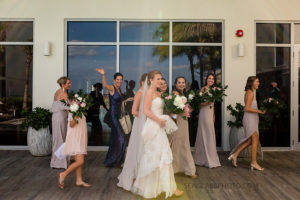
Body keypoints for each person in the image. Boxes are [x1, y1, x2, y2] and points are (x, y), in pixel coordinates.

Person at [132, 70, 183, 199]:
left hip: (159, 125)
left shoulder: (158, 93)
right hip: (154, 126)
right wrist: (158, 120)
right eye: (158, 79)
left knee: (163, 156)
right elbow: (145, 110)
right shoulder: (149, 92)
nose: (160, 81)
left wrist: (172, 112)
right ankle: (155, 188)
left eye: (161, 79)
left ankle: (168, 187)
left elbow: (159, 109)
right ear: (151, 80)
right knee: (155, 156)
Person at [96, 68, 133, 167]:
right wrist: (103, 75)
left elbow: (118, 102)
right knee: (121, 138)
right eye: (118, 79)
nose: (119, 81)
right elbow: (104, 85)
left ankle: (113, 160)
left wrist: (126, 100)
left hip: (118, 115)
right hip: (113, 116)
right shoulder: (112, 88)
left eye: (121, 79)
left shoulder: (119, 89)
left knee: (115, 139)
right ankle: (116, 161)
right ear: (114, 80)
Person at [118, 73, 147, 191]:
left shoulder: (147, 92)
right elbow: (134, 111)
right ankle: (134, 175)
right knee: (138, 147)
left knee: (144, 148)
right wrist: (147, 115)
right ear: (142, 82)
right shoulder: (140, 92)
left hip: (146, 122)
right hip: (140, 122)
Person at [228, 76, 265, 171]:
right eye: (257, 81)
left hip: (252, 118)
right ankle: (254, 162)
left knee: (250, 141)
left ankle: (235, 155)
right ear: (252, 83)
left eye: (259, 81)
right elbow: (247, 108)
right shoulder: (250, 93)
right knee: (255, 139)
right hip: (250, 119)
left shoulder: (250, 92)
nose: (259, 83)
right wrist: (259, 111)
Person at [169, 76, 197, 178]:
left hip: (184, 121)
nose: (181, 84)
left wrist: (191, 108)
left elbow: (187, 109)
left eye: (183, 82)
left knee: (184, 144)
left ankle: (186, 169)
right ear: (176, 84)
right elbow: (171, 111)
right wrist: (178, 114)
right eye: (179, 82)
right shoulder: (174, 94)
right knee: (176, 144)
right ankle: (179, 169)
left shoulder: (184, 94)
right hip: (177, 122)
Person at [194, 74, 221, 168]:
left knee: (210, 135)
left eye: (213, 79)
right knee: (205, 135)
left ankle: (210, 158)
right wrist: (207, 103)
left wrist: (213, 115)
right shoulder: (203, 89)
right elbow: (200, 104)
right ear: (206, 79)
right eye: (209, 78)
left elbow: (212, 105)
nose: (211, 80)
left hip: (210, 114)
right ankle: (204, 159)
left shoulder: (214, 90)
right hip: (204, 113)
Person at [58, 113, 91, 189]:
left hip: (80, 136)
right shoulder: (73, 110)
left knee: (78, 159)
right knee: (80, 161)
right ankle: (63, 174)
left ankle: (79, 180)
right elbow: (71, 124)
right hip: (76, 138)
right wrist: (76, 117)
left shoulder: (79, 110)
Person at [50, 77, 70, 169]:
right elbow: (67, 109)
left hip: (56, 117)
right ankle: (60, 163)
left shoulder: (57, 91)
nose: (70, 85)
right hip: (60, 118)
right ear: (63, 84)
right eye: (68, 83)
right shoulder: (64, 94)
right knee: (61, 138)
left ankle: (56, 161)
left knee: (57, 138)